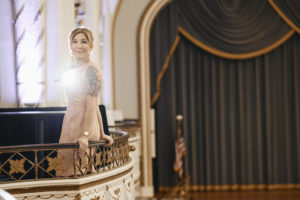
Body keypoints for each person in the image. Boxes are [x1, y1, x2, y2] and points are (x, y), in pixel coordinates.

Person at [57, 27, 114, 176]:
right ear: (70, 45)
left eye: (84, 41)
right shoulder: (71, 70)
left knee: (78, 175)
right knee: (62, 171)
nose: (78, 45)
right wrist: (102, 133)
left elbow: (91, 107)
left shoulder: (92, 71)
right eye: (74, 41)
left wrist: (85, 134)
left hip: (84, 125)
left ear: (91, 46)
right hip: (70, 121)